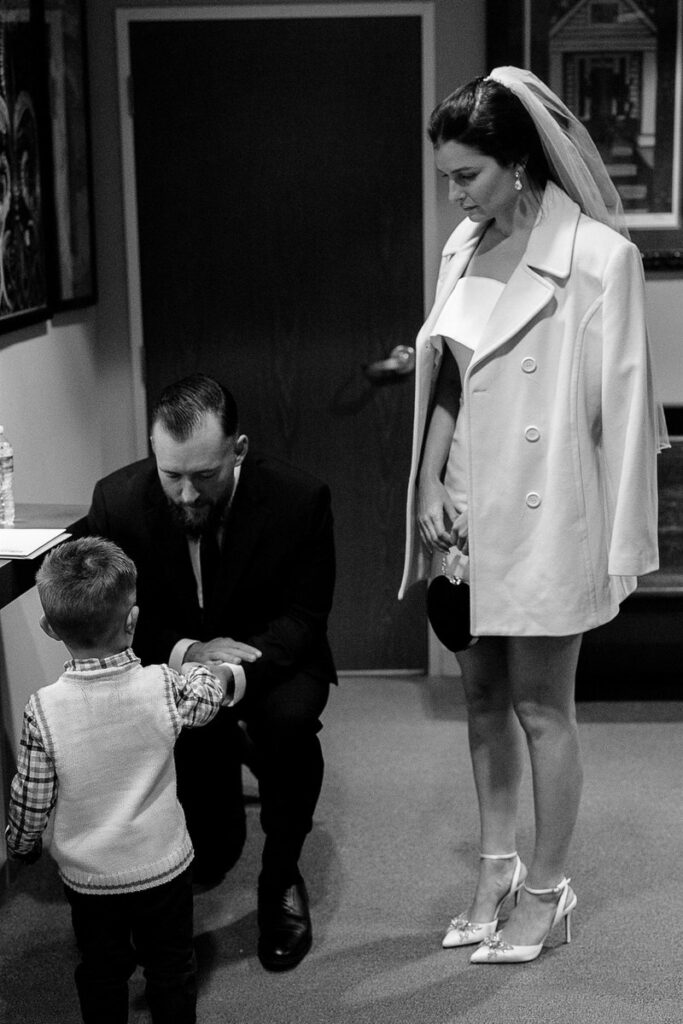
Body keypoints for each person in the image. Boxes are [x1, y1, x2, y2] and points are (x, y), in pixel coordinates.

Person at [399, 67, 668, 965]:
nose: (453, 193)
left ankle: (548, 892)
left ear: (517, 164)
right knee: (481, 701)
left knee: (542, 709)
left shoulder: (598, 257)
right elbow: (447, 373)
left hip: (548, 514)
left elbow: (626, 410)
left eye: (466, 174)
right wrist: (428, 483)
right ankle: (494, 867)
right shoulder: (460, 247)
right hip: (466, 511)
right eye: (446, 175)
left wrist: (620, 549)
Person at [86, 373, 336, 971]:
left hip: (269, 659)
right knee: (215, 847)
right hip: (172, 661)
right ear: (154, 452)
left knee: (291, 728)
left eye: (205, 475)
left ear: (239, 450)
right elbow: (109, 617)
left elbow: (305, 617)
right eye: (172, 476)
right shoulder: (117, 502)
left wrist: (231, 673)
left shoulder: (300, 499)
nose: (188, 495)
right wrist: (189, 652)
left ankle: (279, 878)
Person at [5, 537, 237, 1023]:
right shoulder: (164, 688)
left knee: (101, 971)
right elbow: (208, 695)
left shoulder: (42, 712)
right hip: (164, 866)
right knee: (172, 967)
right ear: (132, 620)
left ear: (48, 628)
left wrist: (21, 845)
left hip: (90, 880)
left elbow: (32, 799)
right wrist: (205, 670)